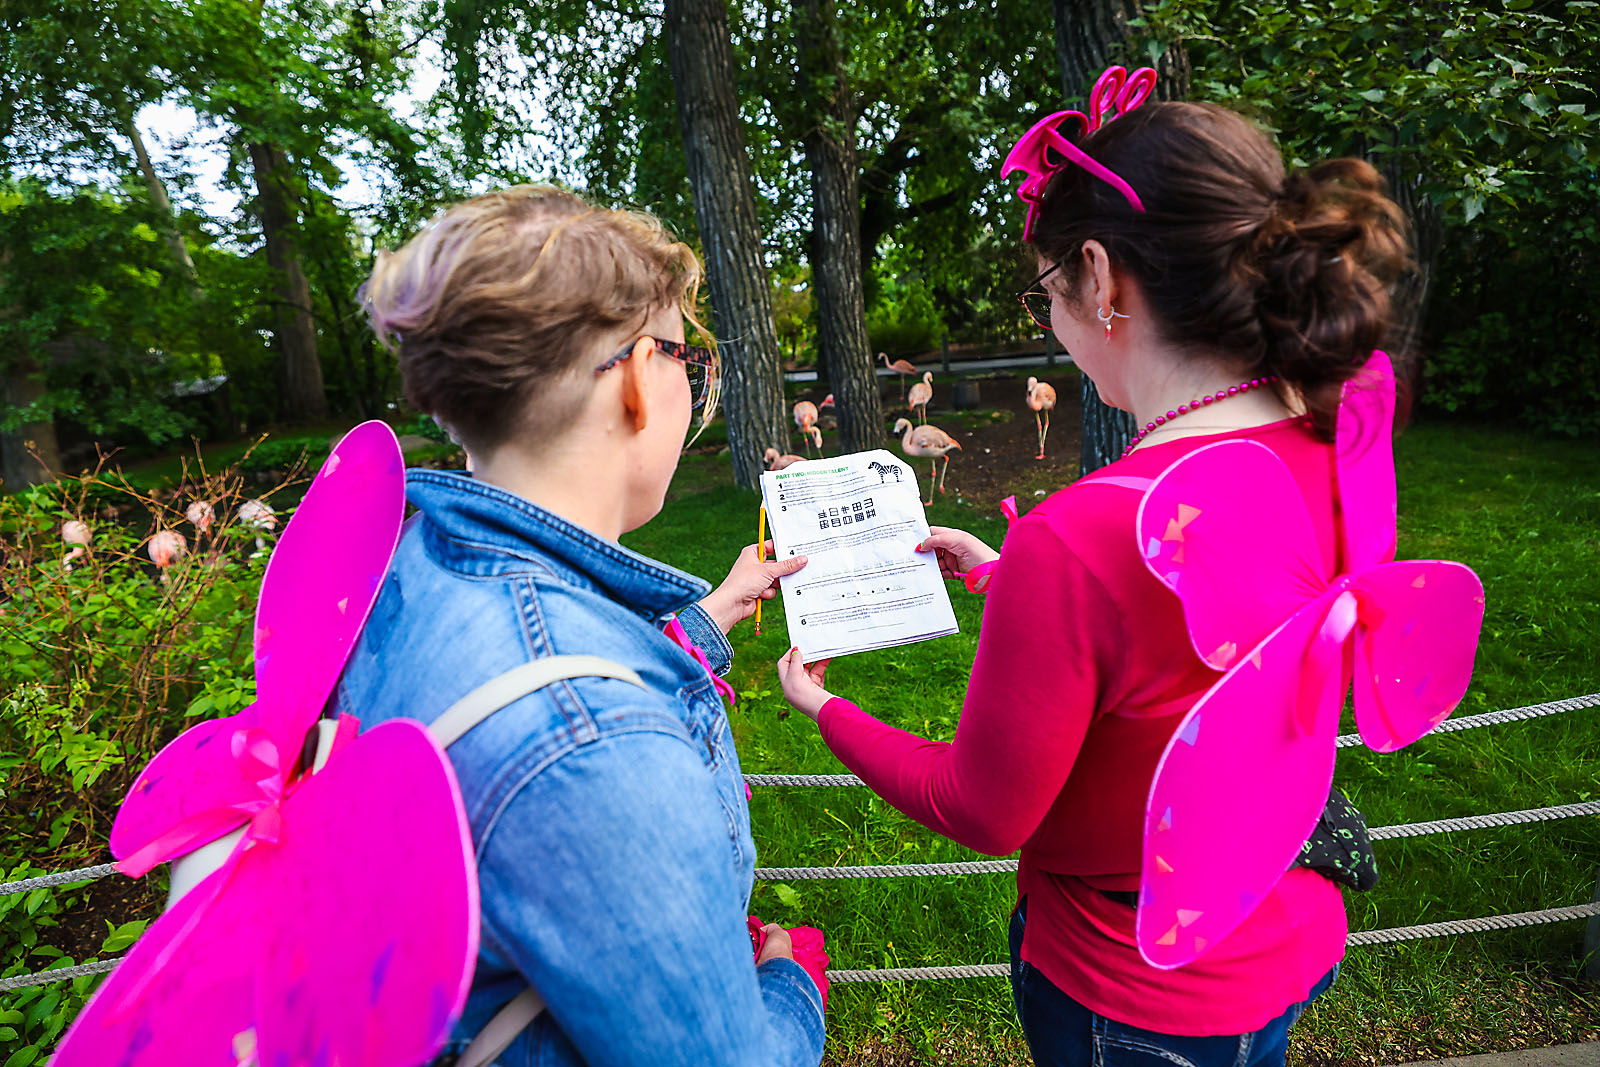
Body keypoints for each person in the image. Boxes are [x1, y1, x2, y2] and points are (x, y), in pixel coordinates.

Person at [777, 87, 1411, 1066]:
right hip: (1289, 920)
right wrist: (1012, 578)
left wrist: (822, 705)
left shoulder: (1076, 538)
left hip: (1137, 991)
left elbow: (985, 808)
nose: (1054, 319)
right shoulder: (1334, 434)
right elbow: (1198, 626)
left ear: (1100, 276)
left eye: (1046, 293)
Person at [340, 185, 826, 1066]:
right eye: (687, 357)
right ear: (641, 376)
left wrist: (712, 615)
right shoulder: (592, 733)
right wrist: (788, 986)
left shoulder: (402, 574)